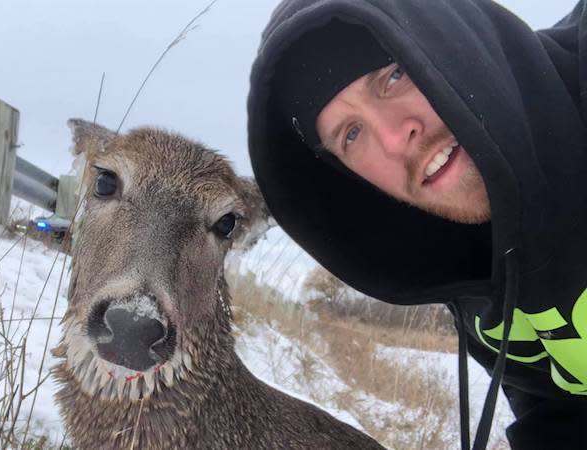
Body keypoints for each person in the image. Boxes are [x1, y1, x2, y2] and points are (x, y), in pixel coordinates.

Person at [246, 1, 587, 449]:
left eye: (393, 76)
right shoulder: (461, 260)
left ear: (451, 39)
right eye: (351, 134)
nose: (393, 138)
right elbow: (560, 409)